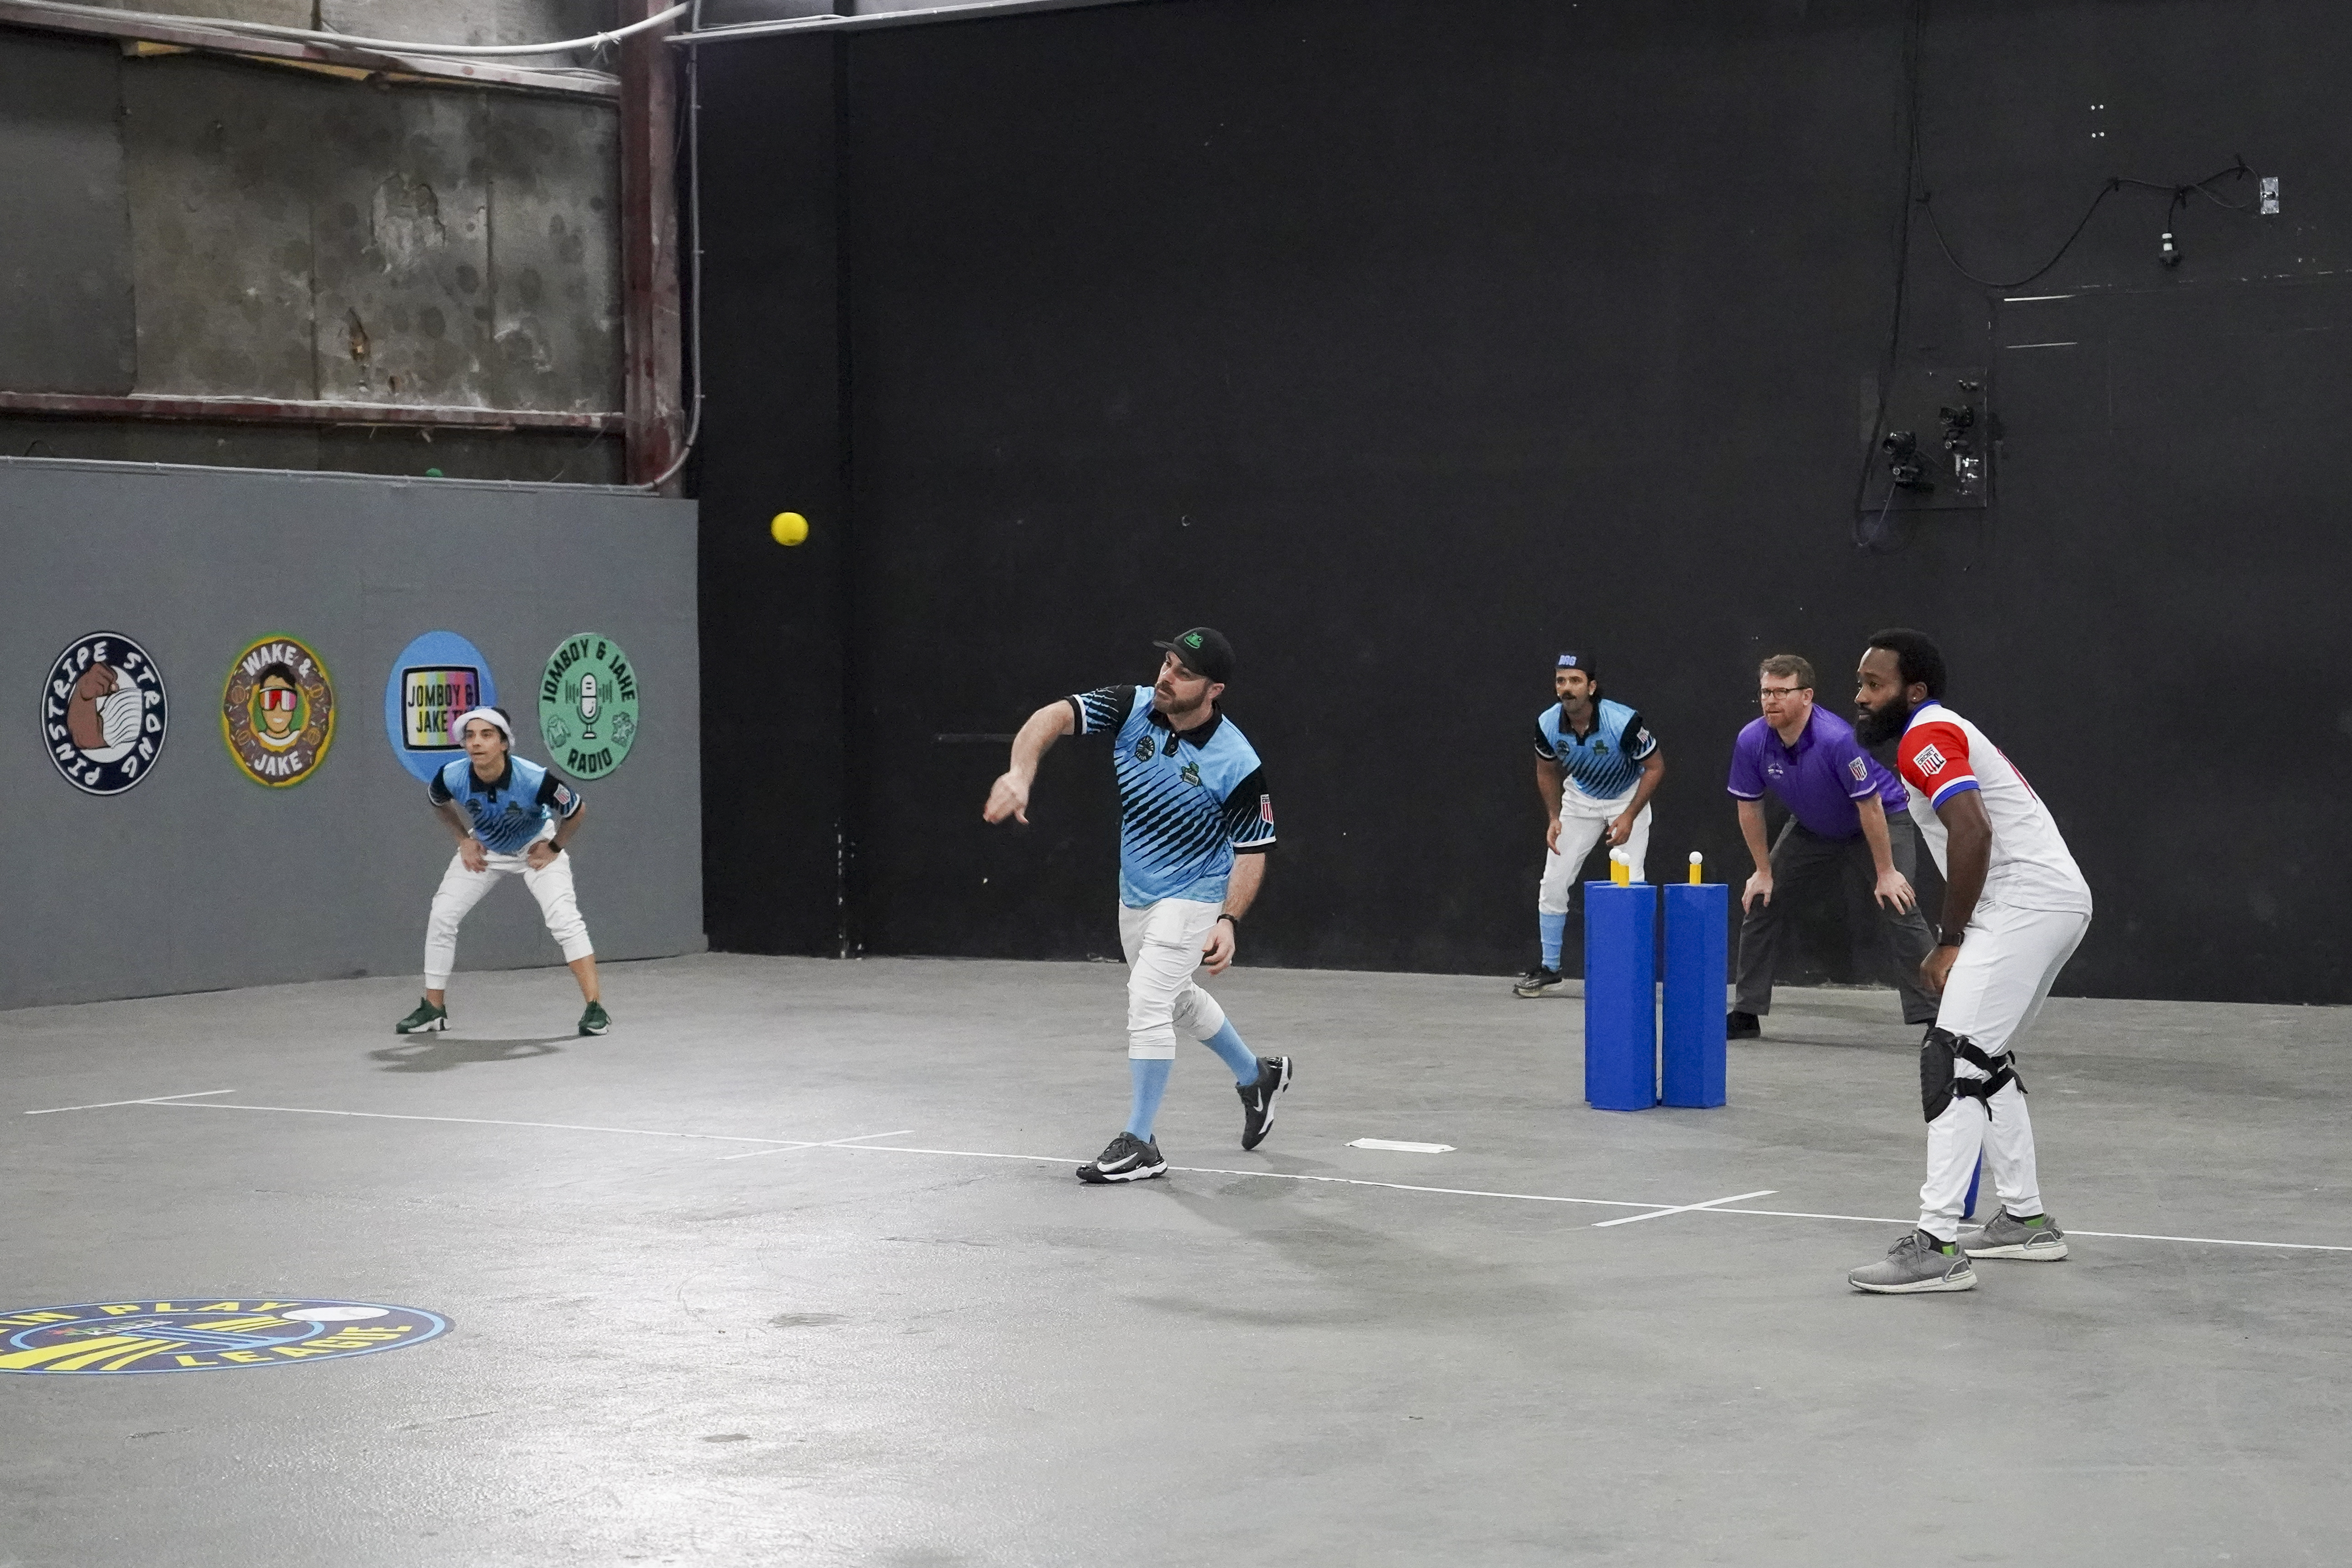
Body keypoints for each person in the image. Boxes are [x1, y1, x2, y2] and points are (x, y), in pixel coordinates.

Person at [983, 627, 1286, 1184]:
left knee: (1148, 1000)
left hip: (1195, 894)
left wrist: (1228, 919)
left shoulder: (1236, 762)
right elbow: (1051, 717)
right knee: (1175, 1002)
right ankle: (1256, 1076)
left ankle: (1141, 1143)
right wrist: (1020, 772)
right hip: (1137, 893)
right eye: (1167, 664)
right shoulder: (1132, 706)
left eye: (1183, 673)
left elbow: (1253, 851)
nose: (1166, 677)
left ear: (1214, 689)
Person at [1844, 630, 2092, 1295]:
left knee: (1950, 1056)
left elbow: (1972, 829)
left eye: (1874, 685)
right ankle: (2025, 1221)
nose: (1860, 697)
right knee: (1984, 1059)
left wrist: (1948, 939)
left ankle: (1935, 1244)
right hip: (2049, 900)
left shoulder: (1923, 735)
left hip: (2025, 903)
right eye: (1859, 683)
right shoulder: (1931, 732)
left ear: (1913, 691)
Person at [1725, 653, 1938, 1037]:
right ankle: (1746, 1013)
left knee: (1900, 904)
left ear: (1806, 695)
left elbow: (1869, 805)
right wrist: (1762, 870)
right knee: (1761, 900)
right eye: (1765, 692)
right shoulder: (1751, 740)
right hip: (1814, 828)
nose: (1771, 700)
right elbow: (1749, 807)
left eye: (1781, 692)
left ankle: (1941, 1021)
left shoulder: (1838, 738)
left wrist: (1886, 873)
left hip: (1880, 820)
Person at [394, 706, 609, 1038]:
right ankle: (433, 1009)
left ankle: (596, 1008)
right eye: (470, 736)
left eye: (487, 735)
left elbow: (577, 809)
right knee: (442, 914)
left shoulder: (534, 778)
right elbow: (437, 801)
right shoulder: (452, 775)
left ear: (504, 743)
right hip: (487, 850)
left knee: (563, 919)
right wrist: (463, 839)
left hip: (534, 846)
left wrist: (553, 847)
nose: (476, 743)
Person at [1514, 652, 1664, 997]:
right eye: (1560, 681)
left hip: (1627, 798)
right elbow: (1546, 770)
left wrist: (1628, 815)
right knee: (1552, 883)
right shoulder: (1547, 724)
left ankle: (1631, 971)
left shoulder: (1622, 722)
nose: (1567, 688)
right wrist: (1554, 817)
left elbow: (1655, 767)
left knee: (1628, 885)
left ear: (1591, 687)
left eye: (1575, 681)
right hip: (1579, 801)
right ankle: (1550, 968)